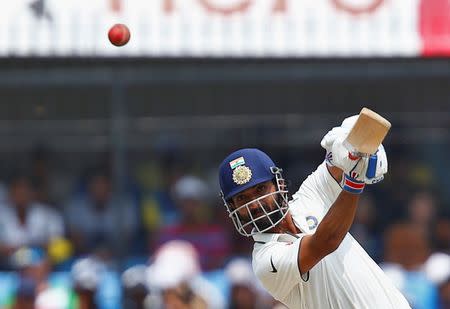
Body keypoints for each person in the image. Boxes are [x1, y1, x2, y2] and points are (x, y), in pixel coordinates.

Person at [218, 115, 411, 308]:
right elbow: (326, 241)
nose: (254, 204)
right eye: (242, 198)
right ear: (233, 207)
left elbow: (338, 163)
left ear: (279, 184)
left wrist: (353, 147)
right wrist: (354, 180)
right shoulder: (265, 261)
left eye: (260, 190)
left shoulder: (309, 197)